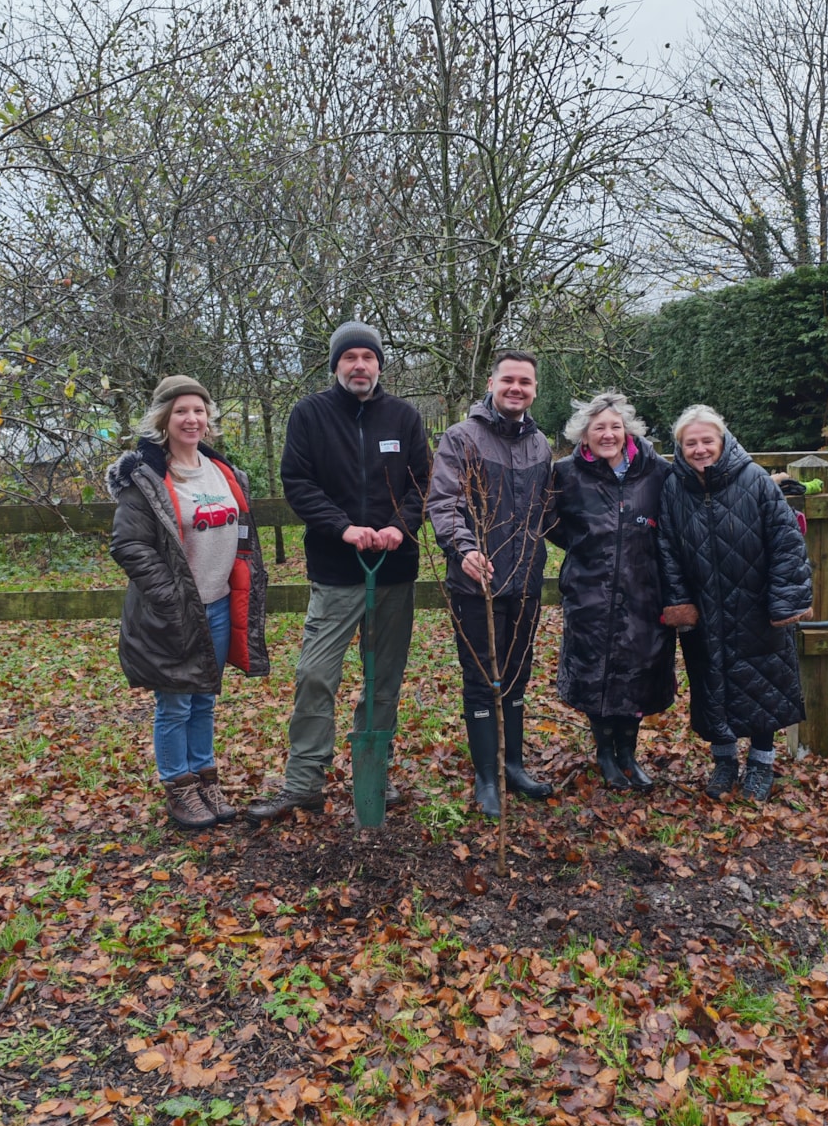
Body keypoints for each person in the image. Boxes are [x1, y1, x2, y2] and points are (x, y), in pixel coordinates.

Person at [247, 322, 431, 823]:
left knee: (383, 679)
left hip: (393, 572)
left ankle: (374, 774)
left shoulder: (404, 417)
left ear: (379, 365)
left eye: (367, 358)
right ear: (335, 366)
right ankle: (304, 781)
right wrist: (343, 528)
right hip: (336, 569)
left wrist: (399, 526)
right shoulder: (310, 415)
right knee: (315, 674)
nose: (359, 366)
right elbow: (297, 481)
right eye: (349, 357)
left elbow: (423, 483)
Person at [108, 375, 270, 831]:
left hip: (219, 605)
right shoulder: (145, 479)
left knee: (204, 699)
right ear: (164, 419)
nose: (192, 419)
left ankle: (205, 777)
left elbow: (241, 536)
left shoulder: (222, 471)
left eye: (199, 410)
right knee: (175, 703)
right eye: (181, 411)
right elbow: (128, 545)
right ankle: (178, 787)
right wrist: (171, 596)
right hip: (173, 612)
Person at [658, 404, 812, 803]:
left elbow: (786, 542)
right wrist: (680, 603)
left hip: (754, 604)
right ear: (680, 447)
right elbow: (667, 550)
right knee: (710, 684)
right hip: (704, 608)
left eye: (707, 440)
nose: (700, 449)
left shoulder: (756, 480)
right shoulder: (674, 488)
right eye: (690, 443)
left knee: (763, 684)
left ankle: (761, 764)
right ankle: (724, 761)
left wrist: (785, 600)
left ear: (722, 441)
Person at [427, 350, 554, 817]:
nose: (516, 388)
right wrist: (464, 549)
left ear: (534, 389)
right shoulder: (463, 438)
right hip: (476, 583)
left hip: (526, 582)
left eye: (525, 381)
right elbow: (443, 502)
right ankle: (487, 775)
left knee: (518, 673)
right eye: (509, 380)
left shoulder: (541, 444)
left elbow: (549, 508)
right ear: (492, 383)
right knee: (483, 678)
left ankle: (514, 765)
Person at [552, 392, 675, 790]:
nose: (608, 434)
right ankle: (605, 754)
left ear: (627, 431)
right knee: (595, 674)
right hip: (590, 592)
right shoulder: (566, 474)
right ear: (584, 435)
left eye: (615, 427)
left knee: (637, 675)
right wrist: (584, 547)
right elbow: (550, 522)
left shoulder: (655, 471)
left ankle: (628, 754)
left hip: (645, 591)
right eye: (598, 427)